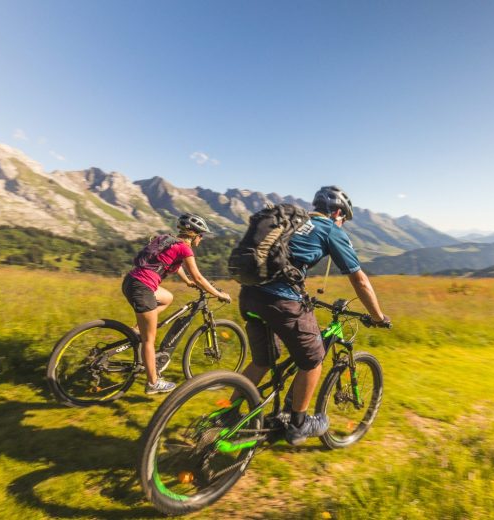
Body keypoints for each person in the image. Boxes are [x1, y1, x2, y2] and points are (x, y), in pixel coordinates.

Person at [236, 186, 391, 445]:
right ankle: (298, 424)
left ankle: (229, 414)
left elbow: (286, 260)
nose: (343, 223)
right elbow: (359, 279)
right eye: (344, 219)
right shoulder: (330, 229)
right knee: (314, 358)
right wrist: (377, 316)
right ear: (338, 212)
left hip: (250, 294)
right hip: (280, 300)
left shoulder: (293, 222)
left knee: (264, 360)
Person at [122, 213, 232, 395]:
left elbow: (176, 264)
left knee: (167, 297)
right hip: (143, 288)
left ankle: (136, 330)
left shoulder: (168, 240)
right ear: (195, 234)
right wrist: (218, 294)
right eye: (201, 235)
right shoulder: (185, 248)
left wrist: (186, 281)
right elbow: (198, 276)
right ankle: (153, 383)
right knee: (149, 340)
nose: (201, 239)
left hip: (131, 281)